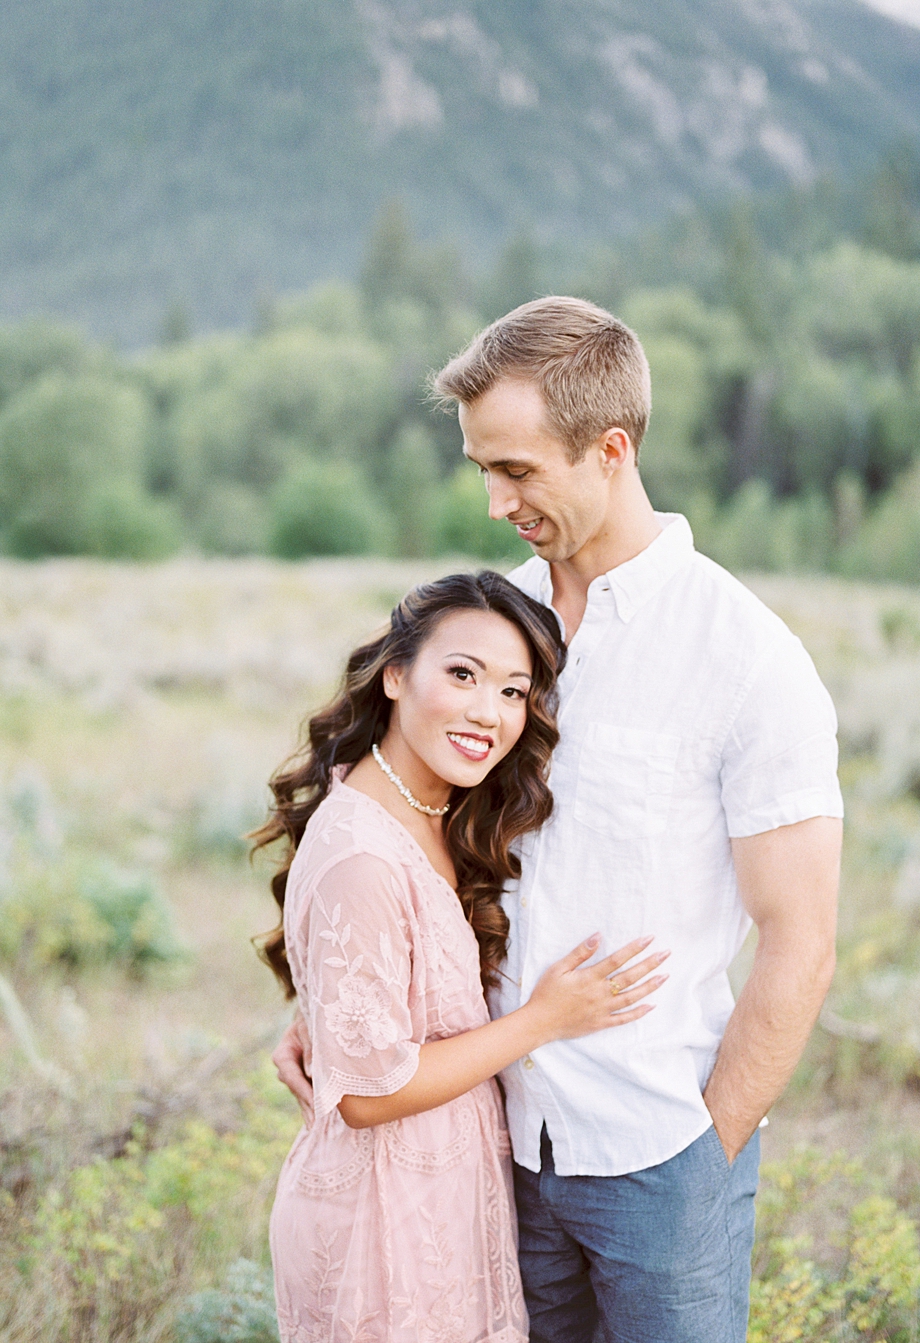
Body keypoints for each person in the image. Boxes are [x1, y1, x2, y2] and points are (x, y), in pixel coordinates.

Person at [274, 297, 843, 1343]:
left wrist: (707, 1145)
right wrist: (343, 1005)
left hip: (656, 1156)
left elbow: (800, 940)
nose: (496, 502)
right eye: (482, 469)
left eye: (518, 471)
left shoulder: (746, 659)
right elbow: (412, 828)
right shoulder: (497, 631)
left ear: (610, 450)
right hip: (491, 1139)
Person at [255, 570, 668, 1343]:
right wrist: (544, 1019)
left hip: (437, 1204)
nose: (489, 712)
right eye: (463, 674)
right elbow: (368, 1093)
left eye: (514, 691)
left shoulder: (438, 810)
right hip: (381, 1228)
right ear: (395, 674)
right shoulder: (362, 852)